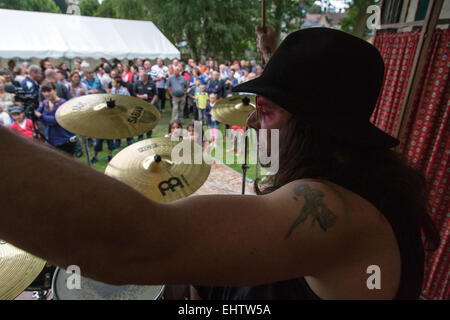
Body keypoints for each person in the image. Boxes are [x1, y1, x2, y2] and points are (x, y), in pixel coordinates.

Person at [0, 26, 440, 301]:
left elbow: (129, 245)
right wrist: (272, 54)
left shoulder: (331, 211)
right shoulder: (368, 181)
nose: (250, 121)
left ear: (315, 128)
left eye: (264, 111)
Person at [34, 82, 77, 156]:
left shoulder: (62, 103)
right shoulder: (45, 103)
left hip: (64, 139)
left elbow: (56, 120)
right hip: (50, 139)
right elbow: (36, 114)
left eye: (49, 91)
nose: (46, 94)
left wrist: (41, 116)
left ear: (55, 90)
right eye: (44, 91)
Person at [133, 72, 157, 141]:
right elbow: (134, 93)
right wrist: (139, 96)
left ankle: (149, 135)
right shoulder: (137, 83)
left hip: (149, 104)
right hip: (140, 105)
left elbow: (155, 94)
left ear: (146, 77)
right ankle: (140, 136)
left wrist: (152, 102)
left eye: (142, 76)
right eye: (140, 76)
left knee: (149, 120)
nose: (140, 77)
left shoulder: (152, 84)